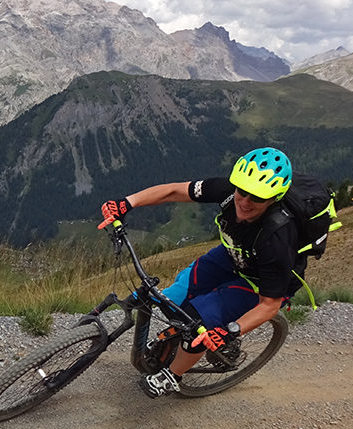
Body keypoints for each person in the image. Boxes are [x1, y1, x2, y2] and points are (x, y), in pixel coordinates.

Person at [98, 147, 304, 398]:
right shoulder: (228, 191)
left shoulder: (278, 238)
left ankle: (172, 376)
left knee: (196, 321)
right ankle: (174, 340)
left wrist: (231, 330)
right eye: (243, 191)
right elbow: (175, 190)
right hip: (234, 255)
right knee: (171, 300)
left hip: (260, 283)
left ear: (274, 198)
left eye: (257, 198)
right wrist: (127, 202)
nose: (245, 201)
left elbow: (270, 305)